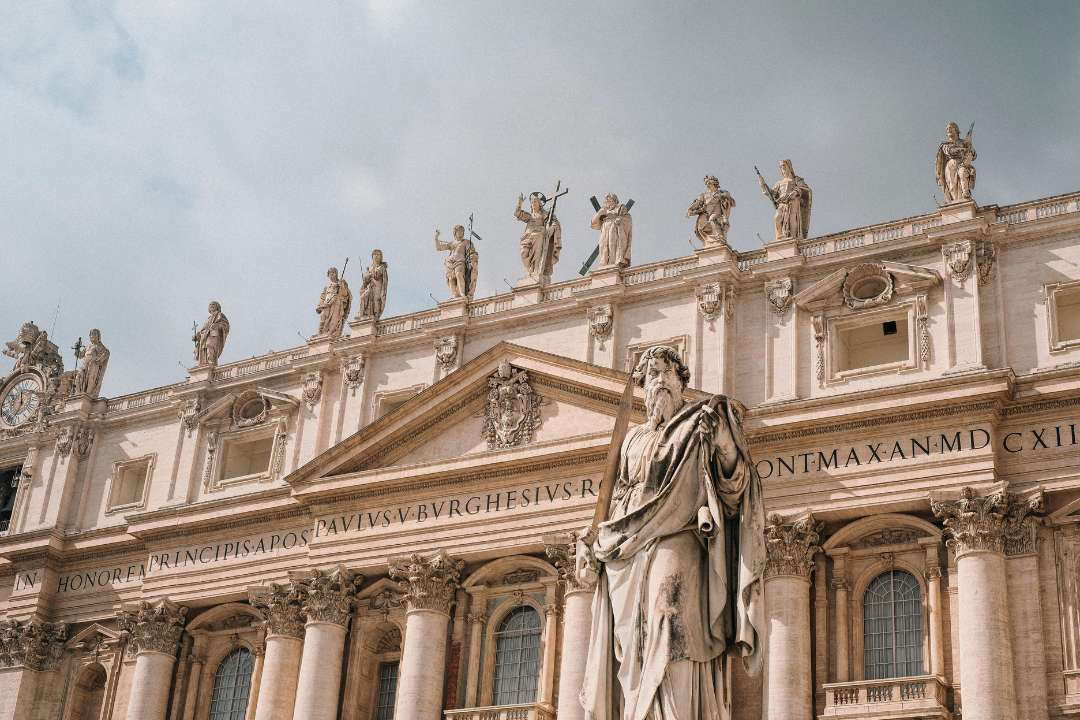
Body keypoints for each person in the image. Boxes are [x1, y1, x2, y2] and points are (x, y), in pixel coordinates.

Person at [579, 345, 766, 720]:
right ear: (643, 387)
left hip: (680, 532)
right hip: (628, 546)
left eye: (667, 373)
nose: (660, 381)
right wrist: (594, 539)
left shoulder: (699, 424)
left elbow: (734, 487)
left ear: (682, 383)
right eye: (652, 375)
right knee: (637, 637)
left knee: (669, 616)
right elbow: (618, 496)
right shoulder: (632, 439)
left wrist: (723, 442)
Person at [515, 192, 562, 281]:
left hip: (539, 236)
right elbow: (517, 213)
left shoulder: (545, 214)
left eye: (535, 202)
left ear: (540, 204)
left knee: (538, 253)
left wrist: (551, 228)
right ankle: (530, 270)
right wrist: (520, 202)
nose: (533, 204)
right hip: (527, 237)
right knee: (523, 253)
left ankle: (536, 271)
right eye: (532, 202)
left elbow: (555, 222)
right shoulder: (529, 216)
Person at [760, 159, 812, 241]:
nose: (782, 168)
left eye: (784, 165)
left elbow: (805, 189)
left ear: (789, 166)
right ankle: (780, 236)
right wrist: (762, 184)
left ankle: (793, 237)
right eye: (781, 167)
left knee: (792, 218)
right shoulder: (779, 183)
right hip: (782, 202)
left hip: (793, 201)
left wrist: (796, 191)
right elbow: (771, 193)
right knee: (777, 217)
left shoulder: (796, 180)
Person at [686, 176, 735, 246]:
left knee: (712, 220)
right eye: (706, 183)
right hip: (705, 213)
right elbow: (697, 203)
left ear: (714, 183)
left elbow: (732, 203)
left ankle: (719, 238)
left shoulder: (722, 193)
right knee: (700, 228)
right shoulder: (704, 195)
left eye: (709, 183)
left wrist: (725, 197)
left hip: (716, 213)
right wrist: (690, 210)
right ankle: (709, 242)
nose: (707, 185)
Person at [936, 121, 977, 203]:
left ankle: (965, 196)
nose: (948, 130)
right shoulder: (945, 144)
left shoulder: (964, 142)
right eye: (947, 129)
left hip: (963, 164)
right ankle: (956, 203)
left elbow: (974, 156)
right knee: (952, 188)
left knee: (963, 174)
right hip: (951, 166)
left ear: (956, 130)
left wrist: (970, 148)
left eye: (950, 128)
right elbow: (949, 151)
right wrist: (962, 149)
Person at [434, 225, 479, 298]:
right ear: (455, 232)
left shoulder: (466, 242)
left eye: (462, 231)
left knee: (459, 274)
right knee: (451, 278)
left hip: (460, 261)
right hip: (450, 262)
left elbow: (472, 252)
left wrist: (473, 259)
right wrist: (436, 238)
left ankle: (462, 293)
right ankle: (454, 295)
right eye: (459, 231)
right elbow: (439, 248)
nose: (461, 232)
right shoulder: (452, 243)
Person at [592, 193, 633, 267]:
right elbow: (593, 223)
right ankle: (604, 262)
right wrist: (600, 213)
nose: (608, 202)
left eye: (610, 200)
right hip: (604, 228)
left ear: (614, 200)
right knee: (602, 245)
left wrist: (620, 219)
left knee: (612, 244)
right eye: (607, 200)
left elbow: (627, 219)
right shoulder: (604, 209)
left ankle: (612, 262)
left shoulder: (620, 207)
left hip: (614, 227)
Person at [315, 267, 352, 337]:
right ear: (328, 275)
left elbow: (345, 294)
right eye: (330, 273)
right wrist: (319, 305)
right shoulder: (327, 286)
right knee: (323, 316)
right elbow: (322, 297)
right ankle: (321, 333)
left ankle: (331, 333)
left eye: (333, 273)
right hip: (326, 304)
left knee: (334, 320)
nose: (332, 275)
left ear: (336, 274)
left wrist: (341, 286)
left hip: (336, 304)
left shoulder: (341, 283)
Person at [74, 329, 110, 397]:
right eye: (91, 334)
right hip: (84, 363)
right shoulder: (87, 346)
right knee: (78, 377)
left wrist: (99, 360)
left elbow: (106, 353)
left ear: (98, 336)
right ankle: (78, 393)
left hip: (93, 364)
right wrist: (76, 349)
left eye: (94, 334)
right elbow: (80, 355)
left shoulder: (99, 346)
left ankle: (88, 394)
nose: (92, 336)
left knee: (90, 379)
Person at [193, 301, 230, 366]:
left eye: (213, 304)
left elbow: (226, 325)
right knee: (203, 349)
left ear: (217, 307)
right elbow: (203, 329)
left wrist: (217, 326)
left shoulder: (220, 315)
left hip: (213, 334)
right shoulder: (208, 318)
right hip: (204, 336)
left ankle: (211, 362)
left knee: (210, 345)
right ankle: (203, 364)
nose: (211, 305)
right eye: (210, 305)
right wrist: (197, 335)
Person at [357, 249, 389, 321]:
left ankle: (375, 315)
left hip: (378, 286)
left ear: (381, 257)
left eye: (378, 254)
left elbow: (377, 276)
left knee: (376, 300)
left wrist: (371, 273)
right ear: (372, 257)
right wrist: (366, 277)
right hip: (370, 286)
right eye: (375, 254)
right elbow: (366, 279)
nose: (376, 256)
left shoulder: (382, 267)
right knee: (364, 297)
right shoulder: (370, 267)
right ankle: (363, 314)